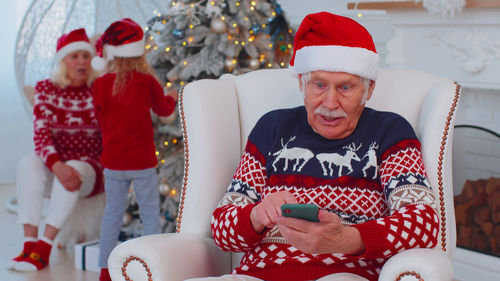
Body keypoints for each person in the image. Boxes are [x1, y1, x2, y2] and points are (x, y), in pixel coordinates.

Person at [194, 12, 440, 281]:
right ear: (302, 83)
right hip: (259, 274)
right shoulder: (272, 127)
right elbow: (221, 232)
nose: (330, 102)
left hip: (344, 274)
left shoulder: (391, 132)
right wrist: (256, 215)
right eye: (319, 85)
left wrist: (347, 239)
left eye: (345, 87)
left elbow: (423, 223)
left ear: (368, 90)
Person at [9, 28, 103, 272]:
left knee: (74, 167)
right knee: (28, 163)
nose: (81, 61)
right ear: (63, 60)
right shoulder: (46, 89)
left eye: (86, 56)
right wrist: (56, 165)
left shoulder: (99, 91)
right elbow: (41, 136)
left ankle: (45, 246)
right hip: (59, 165)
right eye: (75, 56)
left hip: (91, 170)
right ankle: (29, 243)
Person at [91, 18, 178, 281]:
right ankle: (151, 268)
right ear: (140, 51)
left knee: (112, 214)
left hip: (113, 161)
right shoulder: (146, 82)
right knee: (149, 213)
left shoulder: (100, 85)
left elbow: (98, 118)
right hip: (142, 162)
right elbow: (164, 111)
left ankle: (106, 271)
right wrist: (171, 97)